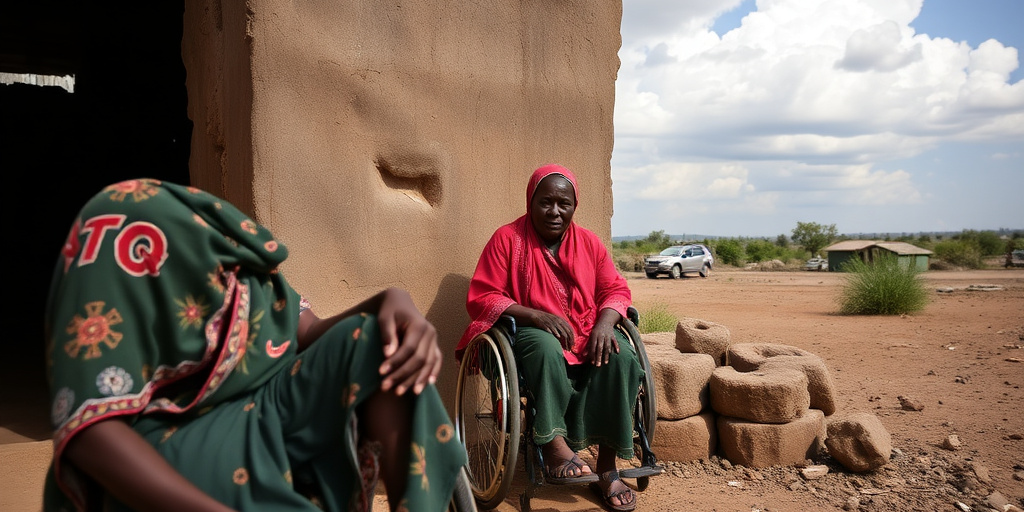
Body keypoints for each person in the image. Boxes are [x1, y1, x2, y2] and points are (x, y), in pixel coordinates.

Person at [44, 178, 467, 511]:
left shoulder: (239, 265)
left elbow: (309, 330)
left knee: (383, 342)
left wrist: (390, 301)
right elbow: (89, 431)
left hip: (266, 421)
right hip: (188, 444)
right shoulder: (120, 233)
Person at [456, 164, 642, 512]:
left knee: (621, 357)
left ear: (574, 205)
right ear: (531, 201)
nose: (555, 211)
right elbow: (484, 295)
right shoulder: (507, 239)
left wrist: (605, 323)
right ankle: (554, 445)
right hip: (527, 331)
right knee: (544, 347)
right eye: (546, 202)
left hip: (585, 329)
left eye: (564, 203)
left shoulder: (589, 243)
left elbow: (614, 289)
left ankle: (606, 466)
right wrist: (535, 314)